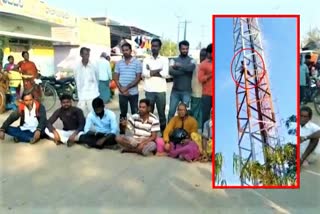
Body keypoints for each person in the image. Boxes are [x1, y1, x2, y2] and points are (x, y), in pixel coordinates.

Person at [142, 38, 169, 134]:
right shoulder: (146, 59)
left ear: (160, 47)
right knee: (148, 114)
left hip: (160, 91)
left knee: (161, 114)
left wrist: (151, 71)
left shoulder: (164, 60)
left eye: (156, 46)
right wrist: (159, 70)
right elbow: (145, 74)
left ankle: (164, 134)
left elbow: (165, 74)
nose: (154, 48)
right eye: (152, 46)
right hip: (149, 90)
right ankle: (149, 133)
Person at [114, 43, 142, 134]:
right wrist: (121, 89)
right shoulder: (119, 63)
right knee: (123, 113)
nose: (125, 52)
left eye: (127, 50)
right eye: (123, 50)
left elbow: (138, 78)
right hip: (122, 94)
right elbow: (116, 78)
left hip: (133, 93)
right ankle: (122, 132)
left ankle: (137, 132)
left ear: (131, 50)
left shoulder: (137, 62)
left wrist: (126, 88)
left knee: (135, 113)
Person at [167, 40, 196, 122]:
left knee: (185, 114)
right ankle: (169, 131)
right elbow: (171, 72)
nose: (185, 50)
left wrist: (179, 66)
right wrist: (185, 70)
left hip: (186, 92)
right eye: (183, 49)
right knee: (171, 113)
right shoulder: (173, 60)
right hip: (175, 92)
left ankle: (184, 132)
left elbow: (191, 68)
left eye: (187, 49)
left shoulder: (192, 60)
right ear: (179, 49)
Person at [74, 47, 100, 117]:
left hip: (93, 94)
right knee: (82, 116)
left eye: (88, 54)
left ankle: (95, 128)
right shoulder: (77, 66)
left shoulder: (94, 65)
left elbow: (97, 77)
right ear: (81, 55)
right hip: (82, 95)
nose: (87, 56)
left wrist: (95, 89)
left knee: (94, 115)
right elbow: (76, 79)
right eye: (85, 54)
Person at [191, 48, 207, 129]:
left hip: (205, 96)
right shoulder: (195, 67)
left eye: (205, 56)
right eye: (201, 55)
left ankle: (201, 134)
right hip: (195, 94)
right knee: (194, 115)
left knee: (203, 117)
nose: (202, 57)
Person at [198, 43, 213, 130]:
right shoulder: (203, 64)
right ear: (208, 53)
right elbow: (200, 79)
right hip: (207, 94)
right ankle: (205, 135)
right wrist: (210, 75)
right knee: (205, 116)